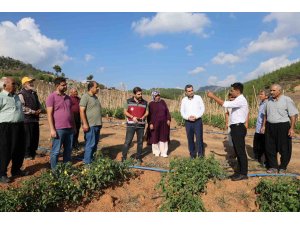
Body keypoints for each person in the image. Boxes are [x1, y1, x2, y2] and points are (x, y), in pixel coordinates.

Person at [207, 82, 249, 181]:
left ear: (237, 91)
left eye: (232, 90)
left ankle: (243, 173)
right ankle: (239, 172)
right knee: (238, 151)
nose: (231, 92)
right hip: (235, 127)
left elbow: (224, 104)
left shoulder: (241, 100)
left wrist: (213, 96)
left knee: (241, 152)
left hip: (238, 128)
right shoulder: (238, 99)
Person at [261, 84, 298, 174]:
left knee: (284, 148)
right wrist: (263, 125)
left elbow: (293, 115)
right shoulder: (268, 101)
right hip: (270, 126)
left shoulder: (287, 100)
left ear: (279, 91)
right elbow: (265, 114)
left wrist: (292, 128)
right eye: (271, 90)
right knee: (269, 147)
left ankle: (282, 167)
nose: (271, 92)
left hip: (283, 126)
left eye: (273, 90)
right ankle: (273, 167)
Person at [0, 77, 28, 183]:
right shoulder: (1, 97)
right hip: (5, 127)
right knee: (5, 150)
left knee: (19, 149)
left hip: (19, 126)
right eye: (13, 83)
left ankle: (16, 170)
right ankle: (2, 174)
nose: (15, 85)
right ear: (4, 85)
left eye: (15, 83)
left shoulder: (16, 97)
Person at [46, 77, 74, 170]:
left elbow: (71, 113)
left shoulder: (68, 98)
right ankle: (54, 171)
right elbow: (49, 114)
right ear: (57, 86)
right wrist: (52, 129)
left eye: (66, 84)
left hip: (69, 128)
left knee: (68, 150)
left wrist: (74, 126)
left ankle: (66, 168)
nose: (66, 86)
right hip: (59, 129)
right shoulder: (51, 97)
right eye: (63, 85)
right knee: (56, 151)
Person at [122, 87, 148, 163]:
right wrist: (132, 117)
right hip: (131, 124)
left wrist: (144, 116)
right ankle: (124, 157)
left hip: (141, 125)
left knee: (140, 142)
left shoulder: (145, 102)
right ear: (134, 94)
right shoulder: (128, 101)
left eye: (141, 94)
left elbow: (147, 112)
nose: (140, 95)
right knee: (128, 141)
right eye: (138, 94)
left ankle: (138, 157)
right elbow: (125, 112)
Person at [18, 76, 42, 160]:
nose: (31, 83)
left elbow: (38, 103)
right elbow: (22, 107)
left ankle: (33, 152)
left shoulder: (34, 93)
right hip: (27, 120)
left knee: (35, 137)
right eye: (29, 82)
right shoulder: (21, 94)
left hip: (35, 119)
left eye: (31, 82)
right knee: (28, 138)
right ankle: (27, 154)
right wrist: (33, 112)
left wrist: (40, 108)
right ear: (24, 84)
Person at [80, 81, 102, 165]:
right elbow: (81, 111)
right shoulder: (85, 97)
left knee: (95, 144)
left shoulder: (95, 97)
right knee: (90, 144)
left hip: (97, 125)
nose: (98, 88)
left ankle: (92, 161)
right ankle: (87, 164)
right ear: (91, 88)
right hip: (90, 125)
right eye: (96, 87)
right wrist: (85, 124)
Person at [180, 84, 205, 158]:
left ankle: (200, 156)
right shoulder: (184, 100)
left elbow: (202, 108)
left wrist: (196, 116)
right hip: (188, 122)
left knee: (199, 139)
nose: (191, 92)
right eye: (189, 91)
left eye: (192, 90)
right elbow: (182, 111)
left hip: (197, 121)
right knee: (190, 139)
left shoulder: (198, 98)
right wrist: (188, 118)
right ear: (186, 92)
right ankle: (192, 155)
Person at [147, 90, 171, 157]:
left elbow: (167, 111)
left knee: (163, 137)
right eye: (156, 96)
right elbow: (149, 115)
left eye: (158, 95)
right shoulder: (151, 104)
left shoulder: (163, 102)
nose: (158, 97)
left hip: (164, 123)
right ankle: (156, 152)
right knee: (155, 137)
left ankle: (164, 152)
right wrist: (150, 123)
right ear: (153, 97)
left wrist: (168, 119)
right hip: (155, 123)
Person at [253, 90, 268, 165]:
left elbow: (266, 116)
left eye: (262, 94)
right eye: (259, 94)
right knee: (256, 143)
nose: (260, 95)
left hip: (262, 127)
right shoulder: (261, 103)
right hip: (258, 126)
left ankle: (262, 160)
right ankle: (257, 157)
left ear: (266, 96)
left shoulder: (267, 104)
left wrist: (263, 126)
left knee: (262, 143)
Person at [224, 93, 236, 159]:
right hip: (230, 123)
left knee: (237, 139)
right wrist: (226, 123)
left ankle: (237, 153)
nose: (231, 97)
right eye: (230, 96)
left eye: (233, 96)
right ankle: (234, 153)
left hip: (236, 123)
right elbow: (226, 114)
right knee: (231, 138)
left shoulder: (237, 103)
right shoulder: (227, 104)